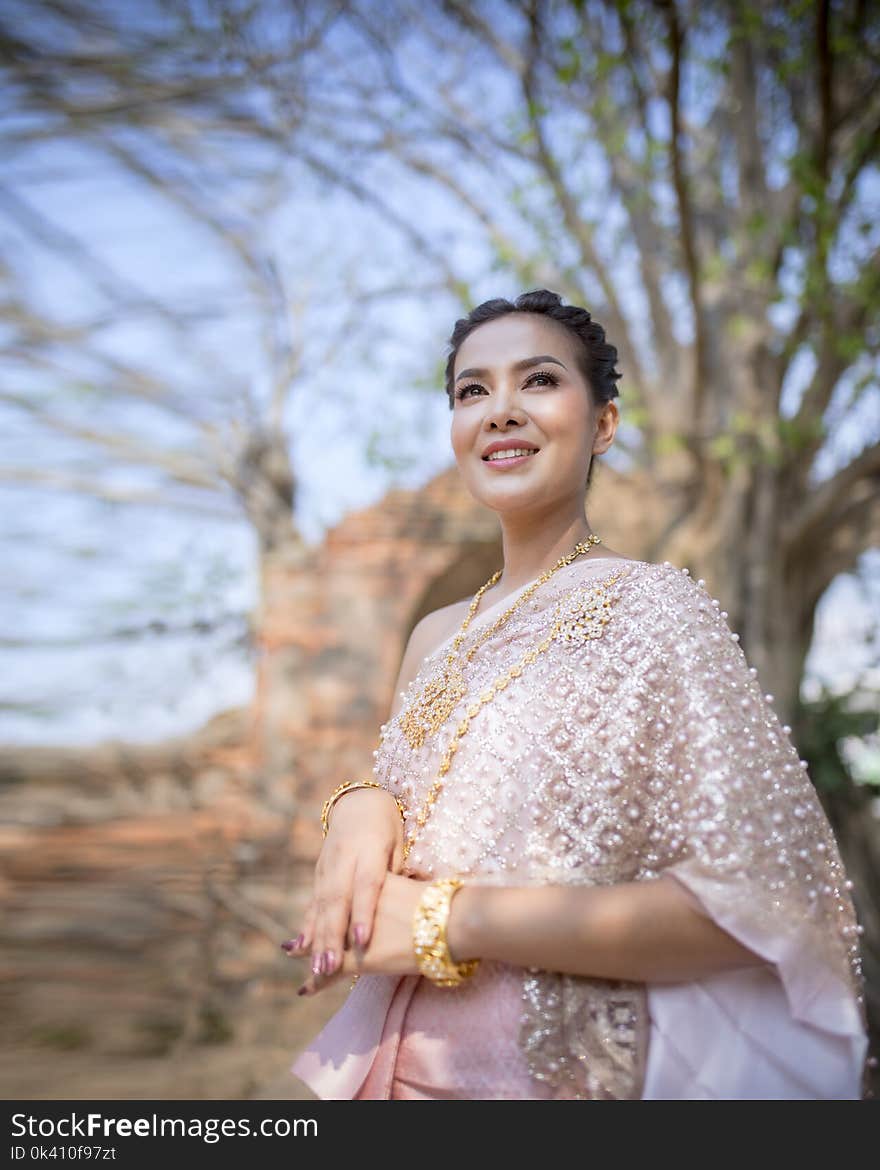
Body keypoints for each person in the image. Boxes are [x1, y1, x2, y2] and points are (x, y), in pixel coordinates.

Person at [285, 289, 871, 1100]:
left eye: (539, 381)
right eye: (472, 390)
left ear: (603, 424)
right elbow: (413, 801)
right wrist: (362, 803)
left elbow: (763, 906)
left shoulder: (654, 611)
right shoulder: (433, 635)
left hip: (544, 1080)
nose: (500, 411)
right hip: (390, 1075)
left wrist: (451, 922)